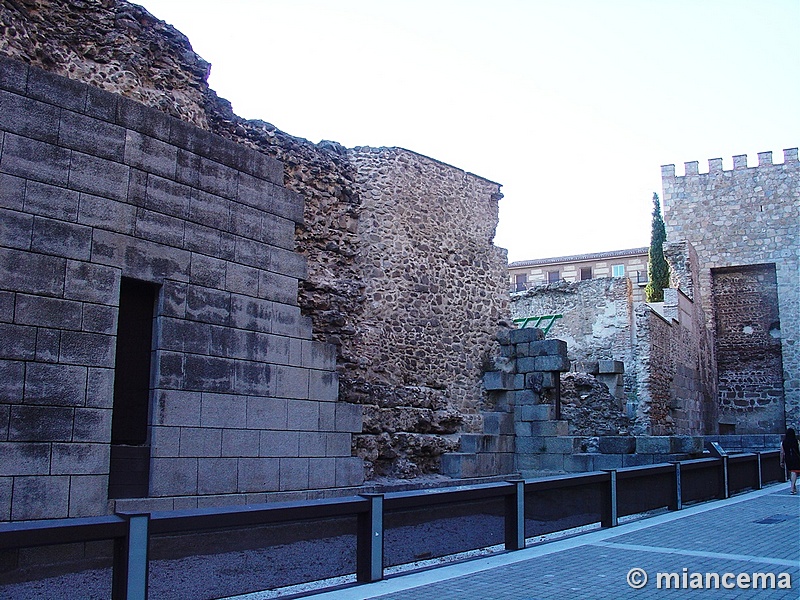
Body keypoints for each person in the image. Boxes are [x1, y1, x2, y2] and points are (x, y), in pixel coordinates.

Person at [779, 428, 800, 494]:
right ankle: (792, 488)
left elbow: (782, 452)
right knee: (794, 472)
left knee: (792, 472)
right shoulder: (796, 441)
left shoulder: (783, 442)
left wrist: (781, 461)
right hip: (796, 458)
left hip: (788, 459)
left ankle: (794, 488)